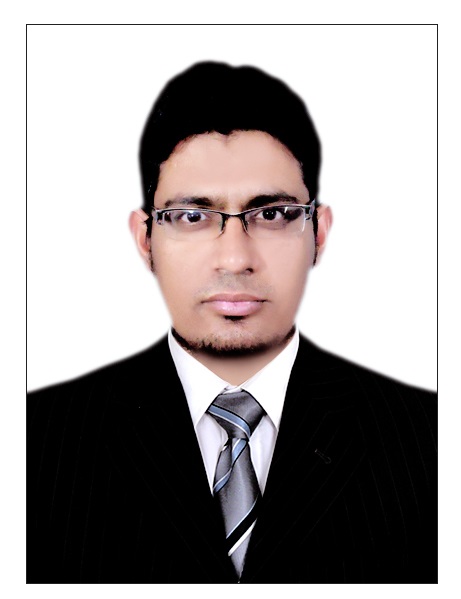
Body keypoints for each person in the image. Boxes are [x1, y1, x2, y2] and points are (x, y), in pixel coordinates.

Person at [27, 61, 437, 584]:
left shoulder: (431, 440)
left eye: (273, 214)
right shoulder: (32, 443)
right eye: (192, 216)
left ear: (319, 233)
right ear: (146, 240)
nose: (235, 258)